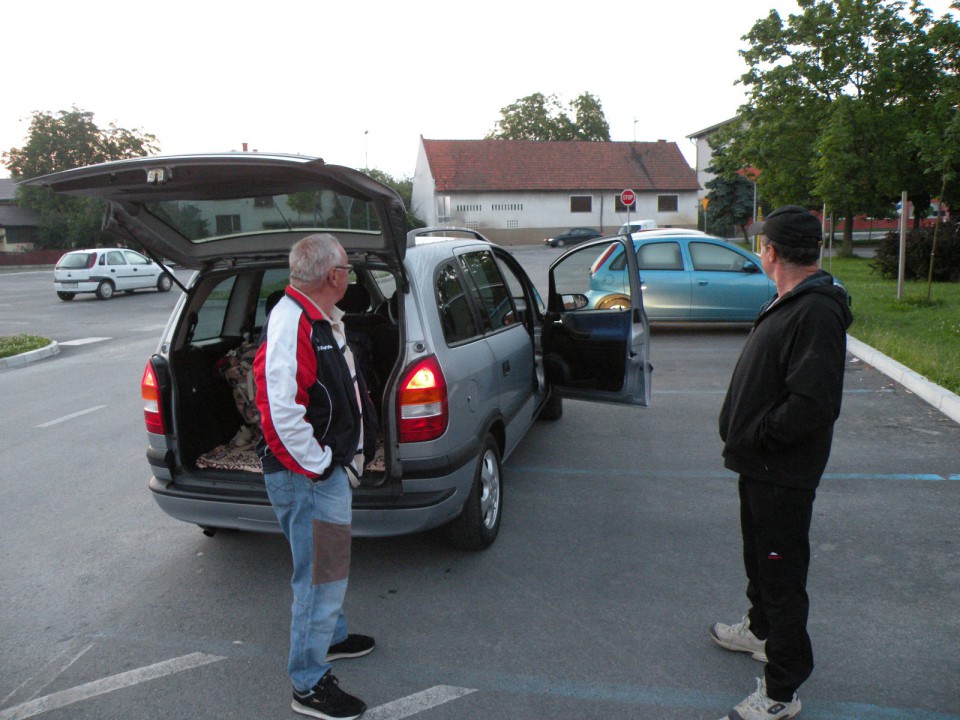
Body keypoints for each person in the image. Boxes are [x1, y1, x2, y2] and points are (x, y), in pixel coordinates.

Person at [712, 206, 853, 720]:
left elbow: (813, 405)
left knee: (781, 576)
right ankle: (760, 630)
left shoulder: (816, 311)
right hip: (759, 465)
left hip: (781, 470)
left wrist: (759, 435)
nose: (758, 251)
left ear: (772, 252)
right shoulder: (792, 300)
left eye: (760, 244)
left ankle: (780, 692)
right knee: (759, 560)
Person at [254, 233, 377, 720]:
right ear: (333, 276)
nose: (349, 274)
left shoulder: (315, 316)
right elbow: (279, 408)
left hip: (319, 472)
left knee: (328, 568)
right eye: (347, 268)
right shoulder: (294, 323)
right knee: (318, 579)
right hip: (306, 477)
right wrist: (322, 464)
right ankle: (308, 684)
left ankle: (336, 637)